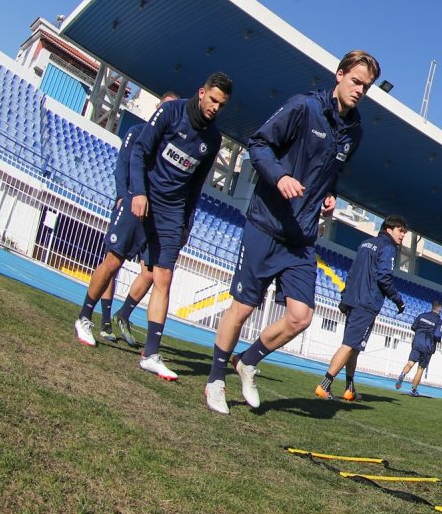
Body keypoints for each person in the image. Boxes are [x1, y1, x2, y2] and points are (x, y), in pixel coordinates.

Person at [204, 50, 380, 414]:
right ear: (339, 75)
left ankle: (247, 361)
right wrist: (280, 176)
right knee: (244, 307)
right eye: (356, 81)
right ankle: (215, 380)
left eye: (367, 86)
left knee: (301, 316)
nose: (360, 90)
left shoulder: (355, 132)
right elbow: (259, 144)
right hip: (267, 223)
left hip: (301, 237)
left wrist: (329, 195)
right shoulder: (303, 107)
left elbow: (331, 174)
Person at [74, 75, 230, 383]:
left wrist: (187, 222)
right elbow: (140, 151)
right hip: (142, 196)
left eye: (221, 105)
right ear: (201, 93)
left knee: (163, 277)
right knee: (113, 261)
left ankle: (151, 354)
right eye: (212, 100)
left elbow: (197, 184)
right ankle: (84, 317)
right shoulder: (170, 112)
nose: (215, 108)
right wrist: (138, 193)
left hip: (173, 212)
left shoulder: (213, 139)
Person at [102, 91, 180, 345]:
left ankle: (123, 314)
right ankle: (103, 320)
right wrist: (123, 196)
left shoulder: (170, 146)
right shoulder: (136, 133)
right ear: (157, 108)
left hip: (155, 216)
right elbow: (123, 167)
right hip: (130, 207)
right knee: (113, 262)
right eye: (164, 108)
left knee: (150, 272)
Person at [314, 215, 408, 401]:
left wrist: (345, 295)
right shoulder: (388, 247)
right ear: (389, 229)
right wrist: (398, 300)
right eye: (400, 230)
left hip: (353, 299)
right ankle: (324, 385)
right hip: (366, 303)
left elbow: (353, 271)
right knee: (349, 345)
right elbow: (383, 277)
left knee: (353, 347)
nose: (403, 235)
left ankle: (349, 388)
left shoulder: (365, 244)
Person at [395, 301, 442, 396]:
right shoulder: (439, 321)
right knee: (420, 369)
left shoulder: (422, 315)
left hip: (417, 343)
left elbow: (413, 327)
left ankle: (402, 375)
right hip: (427, 347)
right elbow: (437, 335)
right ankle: (414, 390)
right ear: (439, 309)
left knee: (410, 363)